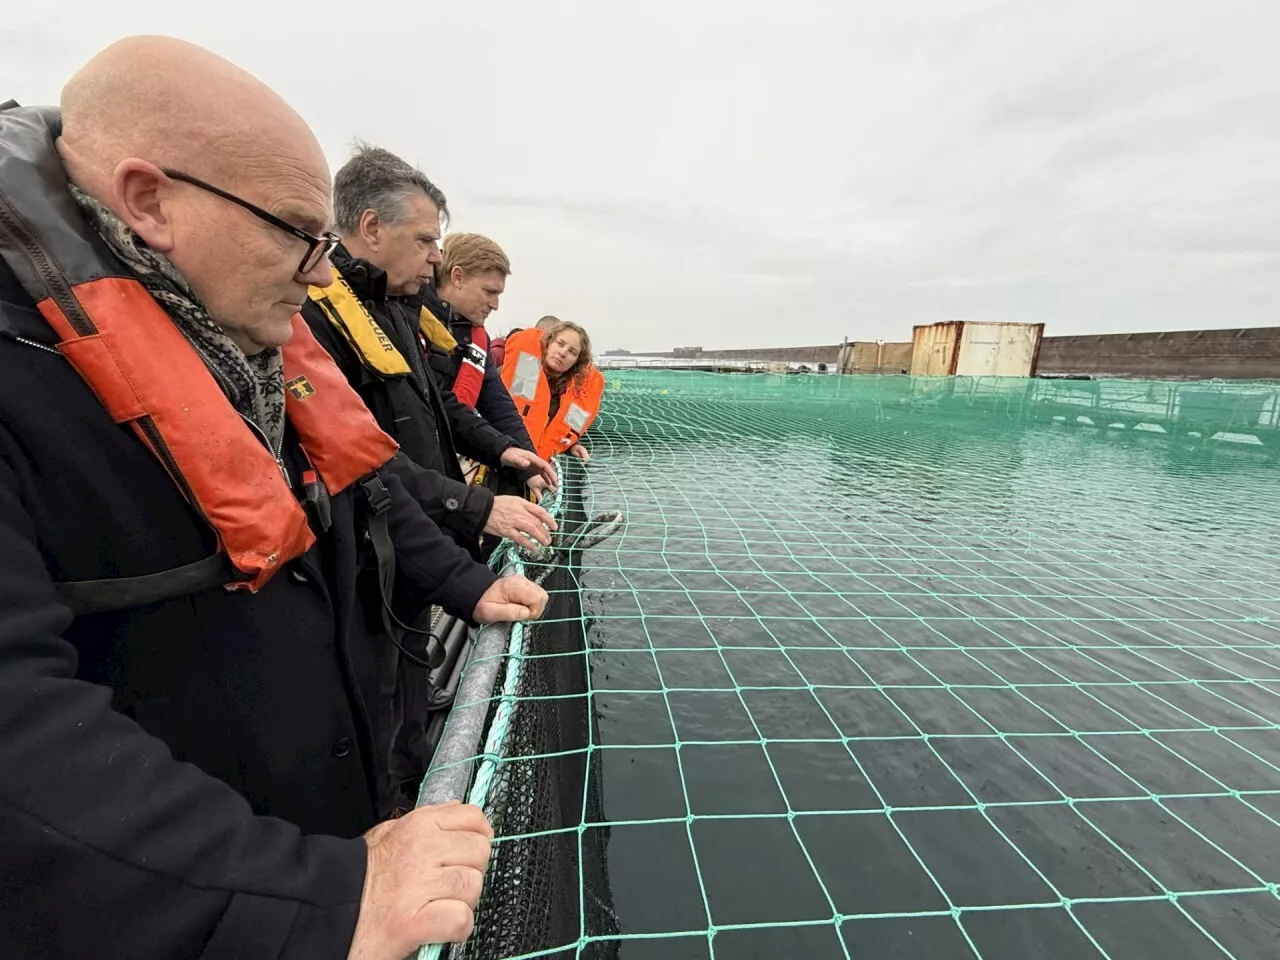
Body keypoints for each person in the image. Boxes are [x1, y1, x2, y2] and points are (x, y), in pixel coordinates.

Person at [0, 37, 545, 959]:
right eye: (300, 233)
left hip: (308, 825)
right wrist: (316, 902)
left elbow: (363, 480)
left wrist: (465, 582)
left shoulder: (247, 336)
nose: (324, 272)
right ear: (149, 201)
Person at [302, 144, 556, 807]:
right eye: (424, 241)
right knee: (376, 705)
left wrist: (505, 454)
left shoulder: (392, 310)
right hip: (366, 554)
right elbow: (360, 457)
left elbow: (442, 407)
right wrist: (474, 508)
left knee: (407, 689)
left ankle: (411, 784)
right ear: (370, 226)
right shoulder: (316, 317)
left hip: (412, 535)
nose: (434, 258)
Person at [420, 233, 534, 453]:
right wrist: (502, 451)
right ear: (458, 277)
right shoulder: (408, 317)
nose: (495, 305)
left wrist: (530, 464)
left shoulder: (477, 339)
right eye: (489, 292)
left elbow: (500, 407)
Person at [501, 320, 605, 463]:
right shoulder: (506, 374)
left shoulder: (572, 393)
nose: (562, 353)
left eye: (572, 352)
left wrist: (571, 446)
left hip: (538, 468)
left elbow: (555, 428)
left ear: (577, 361)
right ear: (548, 342)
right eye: (560, 344)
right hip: (501, 456)